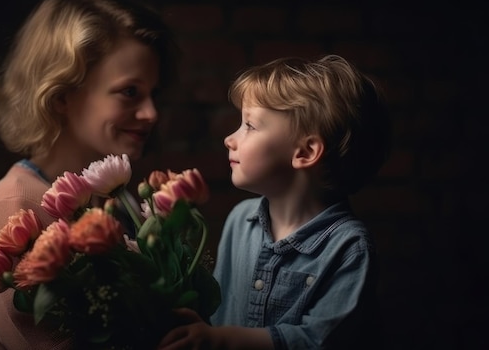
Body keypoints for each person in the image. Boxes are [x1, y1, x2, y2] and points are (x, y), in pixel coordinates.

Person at [0, 0, 179, 348]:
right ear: (62, 94)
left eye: (153, 94)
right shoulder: (17, 203)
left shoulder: (116, 198)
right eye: (130, 92)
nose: (151, 113)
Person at [158, 55, 392, 349]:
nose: (230, 138)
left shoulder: (348, 246)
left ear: (305, 152)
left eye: (250, 126)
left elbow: (319, 340)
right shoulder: (239, 220)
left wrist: (221, 340)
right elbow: (217, 313)